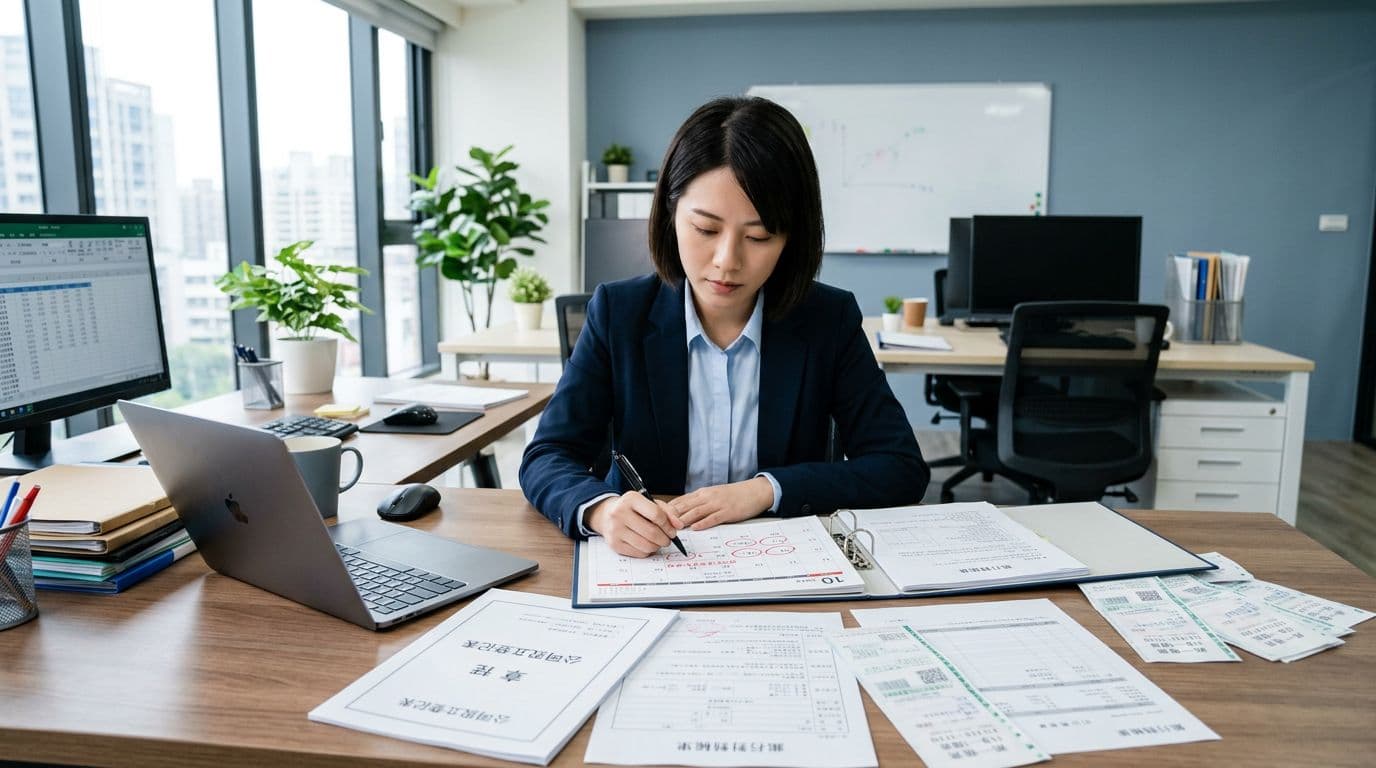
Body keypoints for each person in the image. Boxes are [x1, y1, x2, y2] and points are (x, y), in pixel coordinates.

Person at [520, 96, 929, 557]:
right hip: (655, 566)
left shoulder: (826, 320)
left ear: (791, 239)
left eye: (758, 237)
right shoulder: (619, 312)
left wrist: (766, 490)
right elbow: (547, 457)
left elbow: (900, 467)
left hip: (783, 566)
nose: (726, 262)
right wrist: (599, 509)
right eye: (706, 229)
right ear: (671, 213)